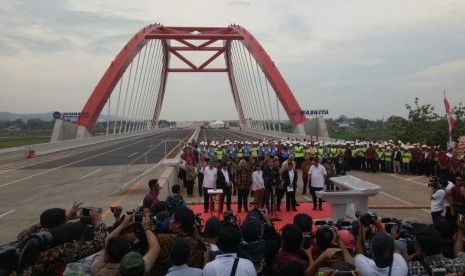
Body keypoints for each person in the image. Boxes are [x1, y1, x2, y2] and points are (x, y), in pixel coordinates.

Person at [91, 213, 160, 275]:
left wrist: (122, 225)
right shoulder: (136, 269)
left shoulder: (97, 270)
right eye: (129, 232)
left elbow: (107, 242)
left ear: (107, 256)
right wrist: (146, 228)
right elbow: (155, 247)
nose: (133, 234)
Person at [151, 207, 204, 275]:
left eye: (172, 218)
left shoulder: (162, 239)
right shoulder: (197, 245)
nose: (169, 220)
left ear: (178, 224)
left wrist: (147, 229)